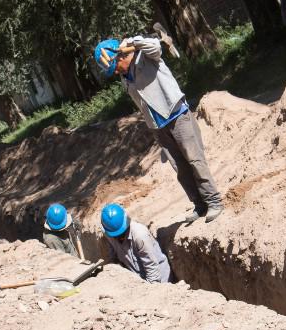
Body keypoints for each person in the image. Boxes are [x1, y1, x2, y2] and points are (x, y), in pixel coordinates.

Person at [94, 37, 224, 224]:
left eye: (114, 66)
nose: (114, 72)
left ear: (121, 55)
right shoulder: (125, 77)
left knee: (195, 160)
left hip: (177, 115)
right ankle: (199, 205)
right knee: (180, 168)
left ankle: (214, 201)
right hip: (157, 126)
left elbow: (154, 44)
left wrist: (132, 42)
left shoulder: (147, 57)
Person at [100, 203, 170, 284]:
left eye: (121, 233)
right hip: (136, 280)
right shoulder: (108, 231)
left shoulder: (140, 235)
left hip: (160, 280)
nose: (118, 237)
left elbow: (152, 268)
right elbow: (112, 256)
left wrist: (151, 290)